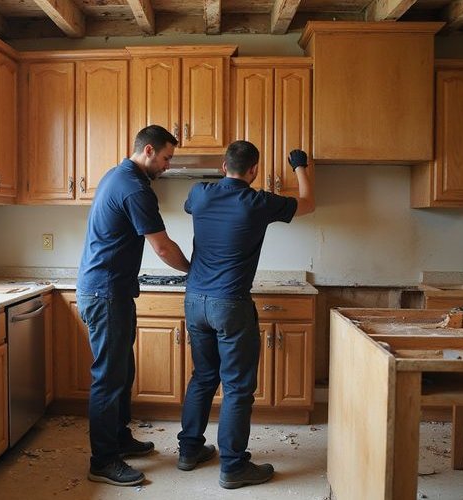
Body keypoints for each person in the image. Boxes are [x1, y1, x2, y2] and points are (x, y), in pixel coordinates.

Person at [177, 141, 315, 489]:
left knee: (203, 377)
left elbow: (190, 205)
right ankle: (234, 466)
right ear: (254, 171)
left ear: (224, 166)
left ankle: (189, 451)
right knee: (237, 388)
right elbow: (309, 204)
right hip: (230, 304)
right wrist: (299, 166)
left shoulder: (200, 193)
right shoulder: (258, 202)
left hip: (195, 300)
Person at [77, 125, 191, 487]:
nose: (169, 165)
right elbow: (161, 246)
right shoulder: (134, 187)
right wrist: (196, 271)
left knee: (122, 371)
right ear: (149, 151)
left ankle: (119, 439)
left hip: (111, 291)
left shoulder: (119, 175)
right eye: (167, 158)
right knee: (109, 378)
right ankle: (103, 460)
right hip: (105, 292)